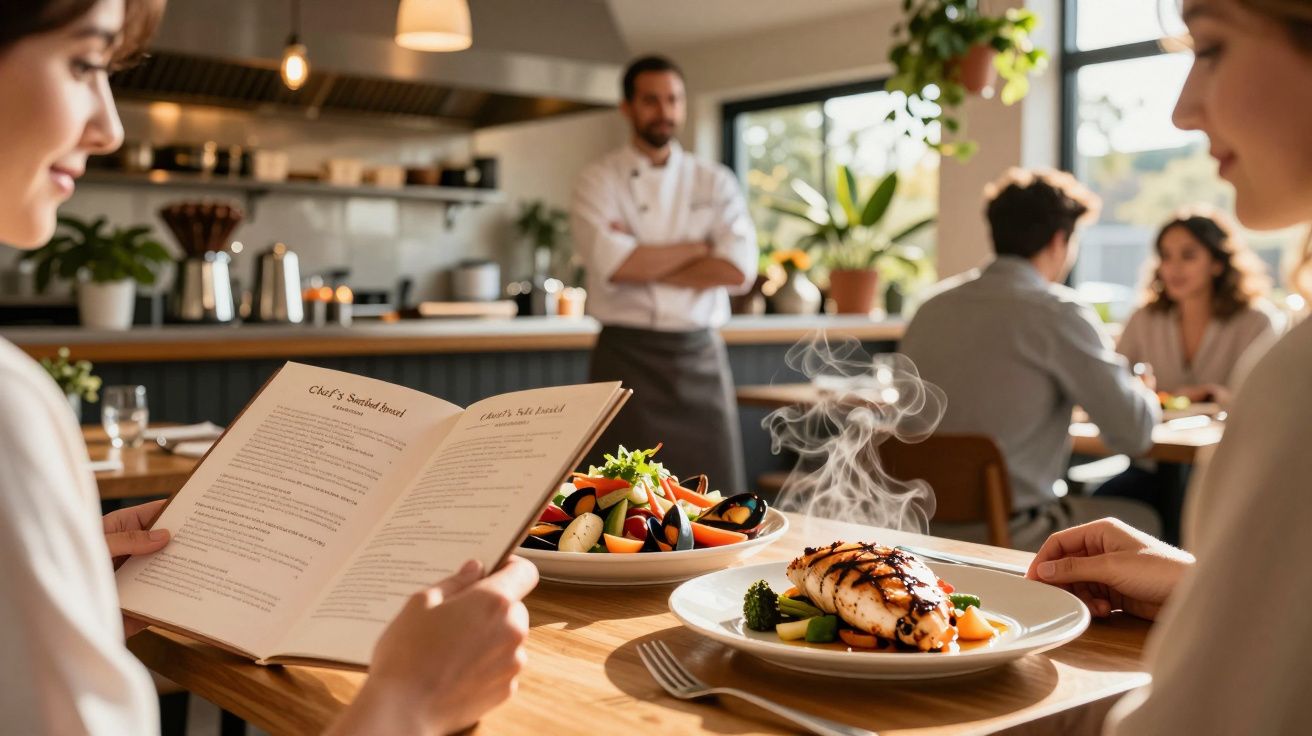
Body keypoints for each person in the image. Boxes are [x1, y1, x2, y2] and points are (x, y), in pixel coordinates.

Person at [0, 2, 536, 734]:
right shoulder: (10, 411)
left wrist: (61, 592)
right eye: (86, 63)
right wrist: (406, 701)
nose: (111, 127)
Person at [1028, 1, 1312, 733]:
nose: (1183, 110)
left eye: (1210, 47)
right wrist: (1204, 586)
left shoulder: (1291, 366)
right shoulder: (1152, 321)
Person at [899, 169, 1162, 551]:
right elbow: (1134, 434)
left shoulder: (931, 308)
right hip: (1011, 533)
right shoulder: (1057, 312)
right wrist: (1145, 393)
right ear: (1060, 239)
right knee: (1149, 517)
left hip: (918, 530)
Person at [570, 55, 757, 492]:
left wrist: (642, 258)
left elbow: (736, 270)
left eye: (673, 100)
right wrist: (698, 249)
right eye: (651, 100)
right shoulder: (598, 180)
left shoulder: (715, 180)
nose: (665, 111)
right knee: (618, 499)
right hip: (625, 358)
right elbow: (614, 264)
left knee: (717, 498)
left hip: (700, 358)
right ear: (627, 107)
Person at [1117, 206, 1280, 406]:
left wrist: (1216, 396)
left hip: (1230, 437)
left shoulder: (1256, 322)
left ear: (1217, 263)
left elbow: (1268, 401)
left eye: (1188, 255)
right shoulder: (1143, 319)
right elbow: (1114, 387)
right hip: (1155, 437)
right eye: (1166, 256)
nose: (1174, 268)